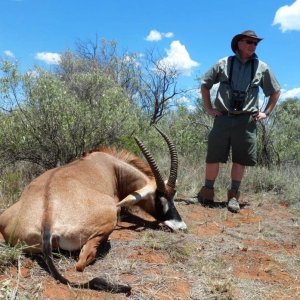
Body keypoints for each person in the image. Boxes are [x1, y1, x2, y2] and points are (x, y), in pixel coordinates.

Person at [196, 30, 281, 213]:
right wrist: (209, 108)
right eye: (249, 42)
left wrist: (266, 112)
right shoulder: (223, 63)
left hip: (246, 120)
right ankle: (207, 192)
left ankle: (233, 196)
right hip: (223, 118)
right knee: (213, 156)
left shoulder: (262, 67)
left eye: (255, 43)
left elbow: (275, 91)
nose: (253, 45)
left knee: (240, 159)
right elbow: (205, 84)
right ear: (238, 44)